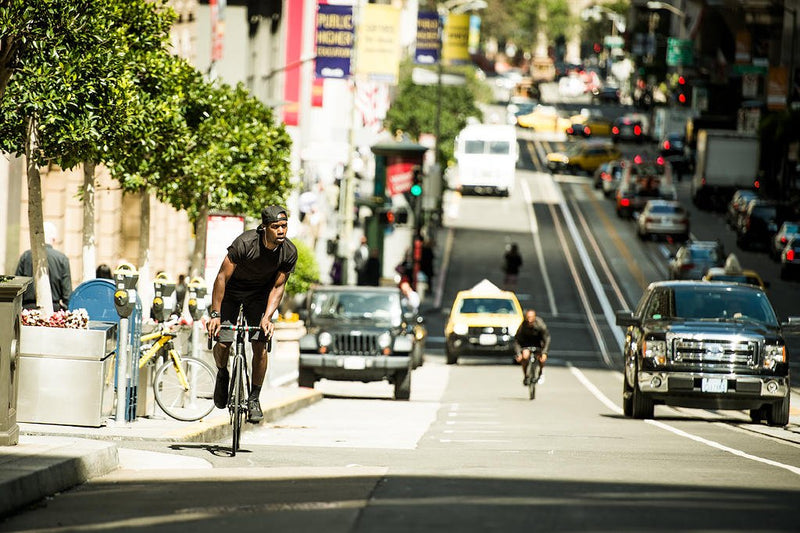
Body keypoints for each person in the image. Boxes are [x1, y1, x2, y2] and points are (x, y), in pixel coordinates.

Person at [206, 205, 297, 423]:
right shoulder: (245, 244)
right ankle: (222, 372)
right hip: (231, 293)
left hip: (259, 297)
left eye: (284, 226)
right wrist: (216, 314)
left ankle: (254, 397)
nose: (281, 231)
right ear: (265, 227)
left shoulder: (288, 252)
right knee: (223, 341)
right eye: (276, 227)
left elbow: (278, 287)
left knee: (260, 343)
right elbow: (221, 278)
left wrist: (267, 317)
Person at [15, 221, 72, 311]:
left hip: (27, 310)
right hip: (53, 310)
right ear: (54, 239)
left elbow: (17, 286)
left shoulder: (26, 256)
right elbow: (67, 294)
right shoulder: (62, 259)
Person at [514, 309, 550, 385]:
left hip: (538, 343)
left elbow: (547, 339)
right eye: (528, 318)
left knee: (541, 359)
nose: (529, 320)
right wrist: (518, 354)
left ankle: (540, 373)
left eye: (531, 318)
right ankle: (526, 376)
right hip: (526, 343)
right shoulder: (523, 326)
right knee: (525, 356)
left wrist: (544, 352)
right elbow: (517, 340)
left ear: (534, 317)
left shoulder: (540, 325)